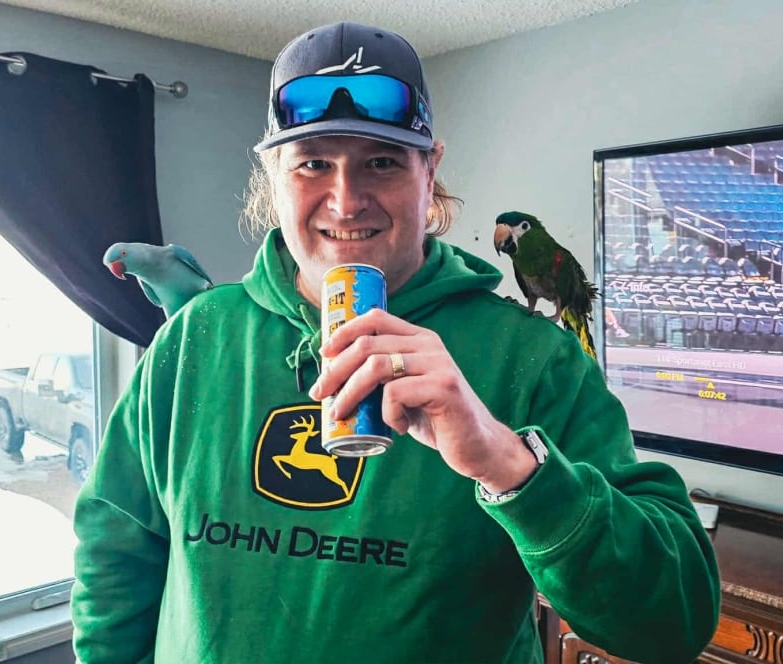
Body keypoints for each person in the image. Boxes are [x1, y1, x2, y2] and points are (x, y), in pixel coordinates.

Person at [70, 21, 720, 664]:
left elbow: (675, 623)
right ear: (272, 175)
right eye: (313, 163)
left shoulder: (535, 360)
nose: (346, 201)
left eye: (381, 162)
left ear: (429, 171)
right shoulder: (193, 338)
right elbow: (114, 560)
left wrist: (508, 464)